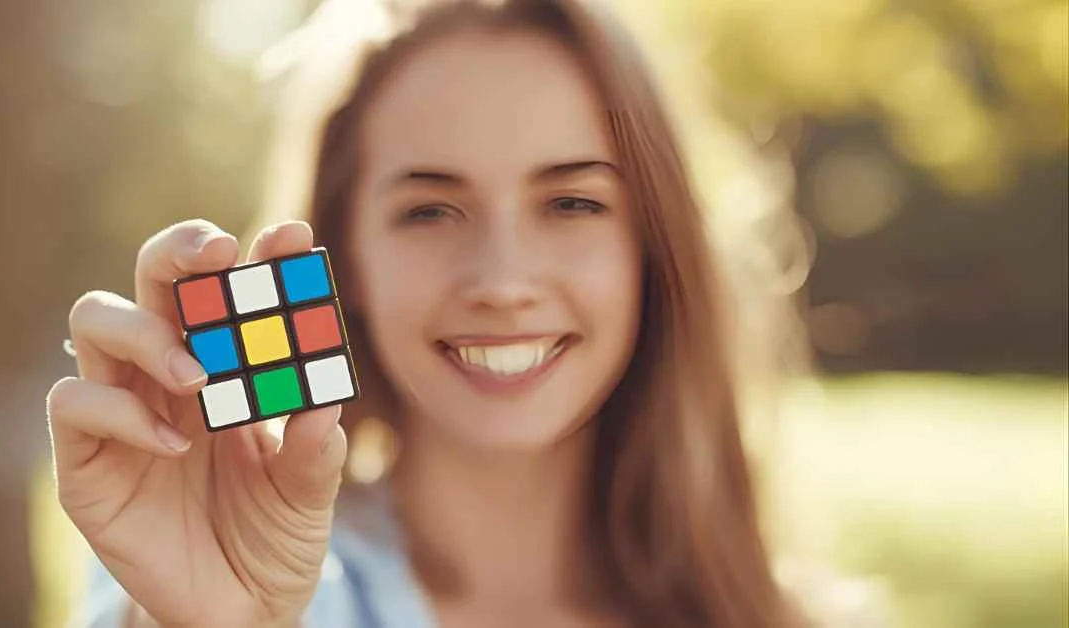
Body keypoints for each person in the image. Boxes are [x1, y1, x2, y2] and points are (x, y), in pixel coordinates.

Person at [49, 0, 814, 626]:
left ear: (655, 245)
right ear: (342, 264)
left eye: (572, 202)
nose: (503, 280)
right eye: (429, 212)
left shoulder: (776, 612)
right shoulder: (211, 583)